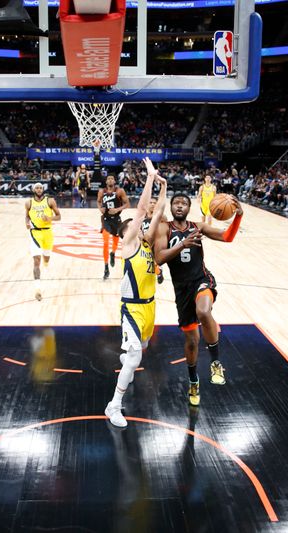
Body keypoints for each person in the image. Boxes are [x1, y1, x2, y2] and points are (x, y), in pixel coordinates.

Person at [154, 189, 244, 406]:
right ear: (172, 207)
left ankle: (215, 363)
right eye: (176, 203)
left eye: (184, 203)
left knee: (204, 311)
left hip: (201, 279)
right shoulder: (164, 229)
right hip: (181, 289)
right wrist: (182, 244)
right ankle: (193, 380)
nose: (179, 206)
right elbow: (159, 258)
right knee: (192, 342)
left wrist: (238, 216)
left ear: (189, 208)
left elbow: (226, 237)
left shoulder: (198, 227)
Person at [105, 159, 167, 428]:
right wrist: (150, 178)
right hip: (131, 308)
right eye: (136, 225)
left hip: (150, 307)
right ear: (127, 232)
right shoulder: (129, 245)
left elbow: (157, 211)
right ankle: (113, 406)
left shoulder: (145, 243)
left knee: (140, 349)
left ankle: (127, 356)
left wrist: (164, 187)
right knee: (135, 358)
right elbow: (143, 209)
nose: (142, 226)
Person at [25, 182, 62, 301]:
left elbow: (59, 216)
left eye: (41, 187)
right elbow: (27, 216)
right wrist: (26, 222)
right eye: (37, 187)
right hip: (35, 233)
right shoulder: (29, 202)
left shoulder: (50, 201)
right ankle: (37, 289)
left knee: (46, 257)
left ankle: (46, 264)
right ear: (34, 189)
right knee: (36, 260)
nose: (39, 189)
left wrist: (49, 218)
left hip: (47, 232)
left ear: (43, 189)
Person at [98, 175, 130, 280]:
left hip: (116, 219)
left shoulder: (120, 191)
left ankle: (113, 253)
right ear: (106, 181)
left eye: (112, 178)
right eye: (108, 179)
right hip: (106, 219)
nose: (110, 180)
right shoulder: (101, 191)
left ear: (115, 181)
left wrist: (117, 209)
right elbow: (98, 202)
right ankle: (106, 267)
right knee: (106, 243)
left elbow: (127, 204)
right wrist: (100, 208)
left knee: (116, 243)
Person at [142, 196, 165, 285]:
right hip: (145, 241)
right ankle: (159, 272)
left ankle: (158, 272)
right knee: (147, 262)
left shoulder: (160, 216)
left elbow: (165, 220)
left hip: (157, 242)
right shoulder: (142, 217)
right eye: (150, 202)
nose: (152, 204)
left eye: (154, 203)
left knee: (152, 260)